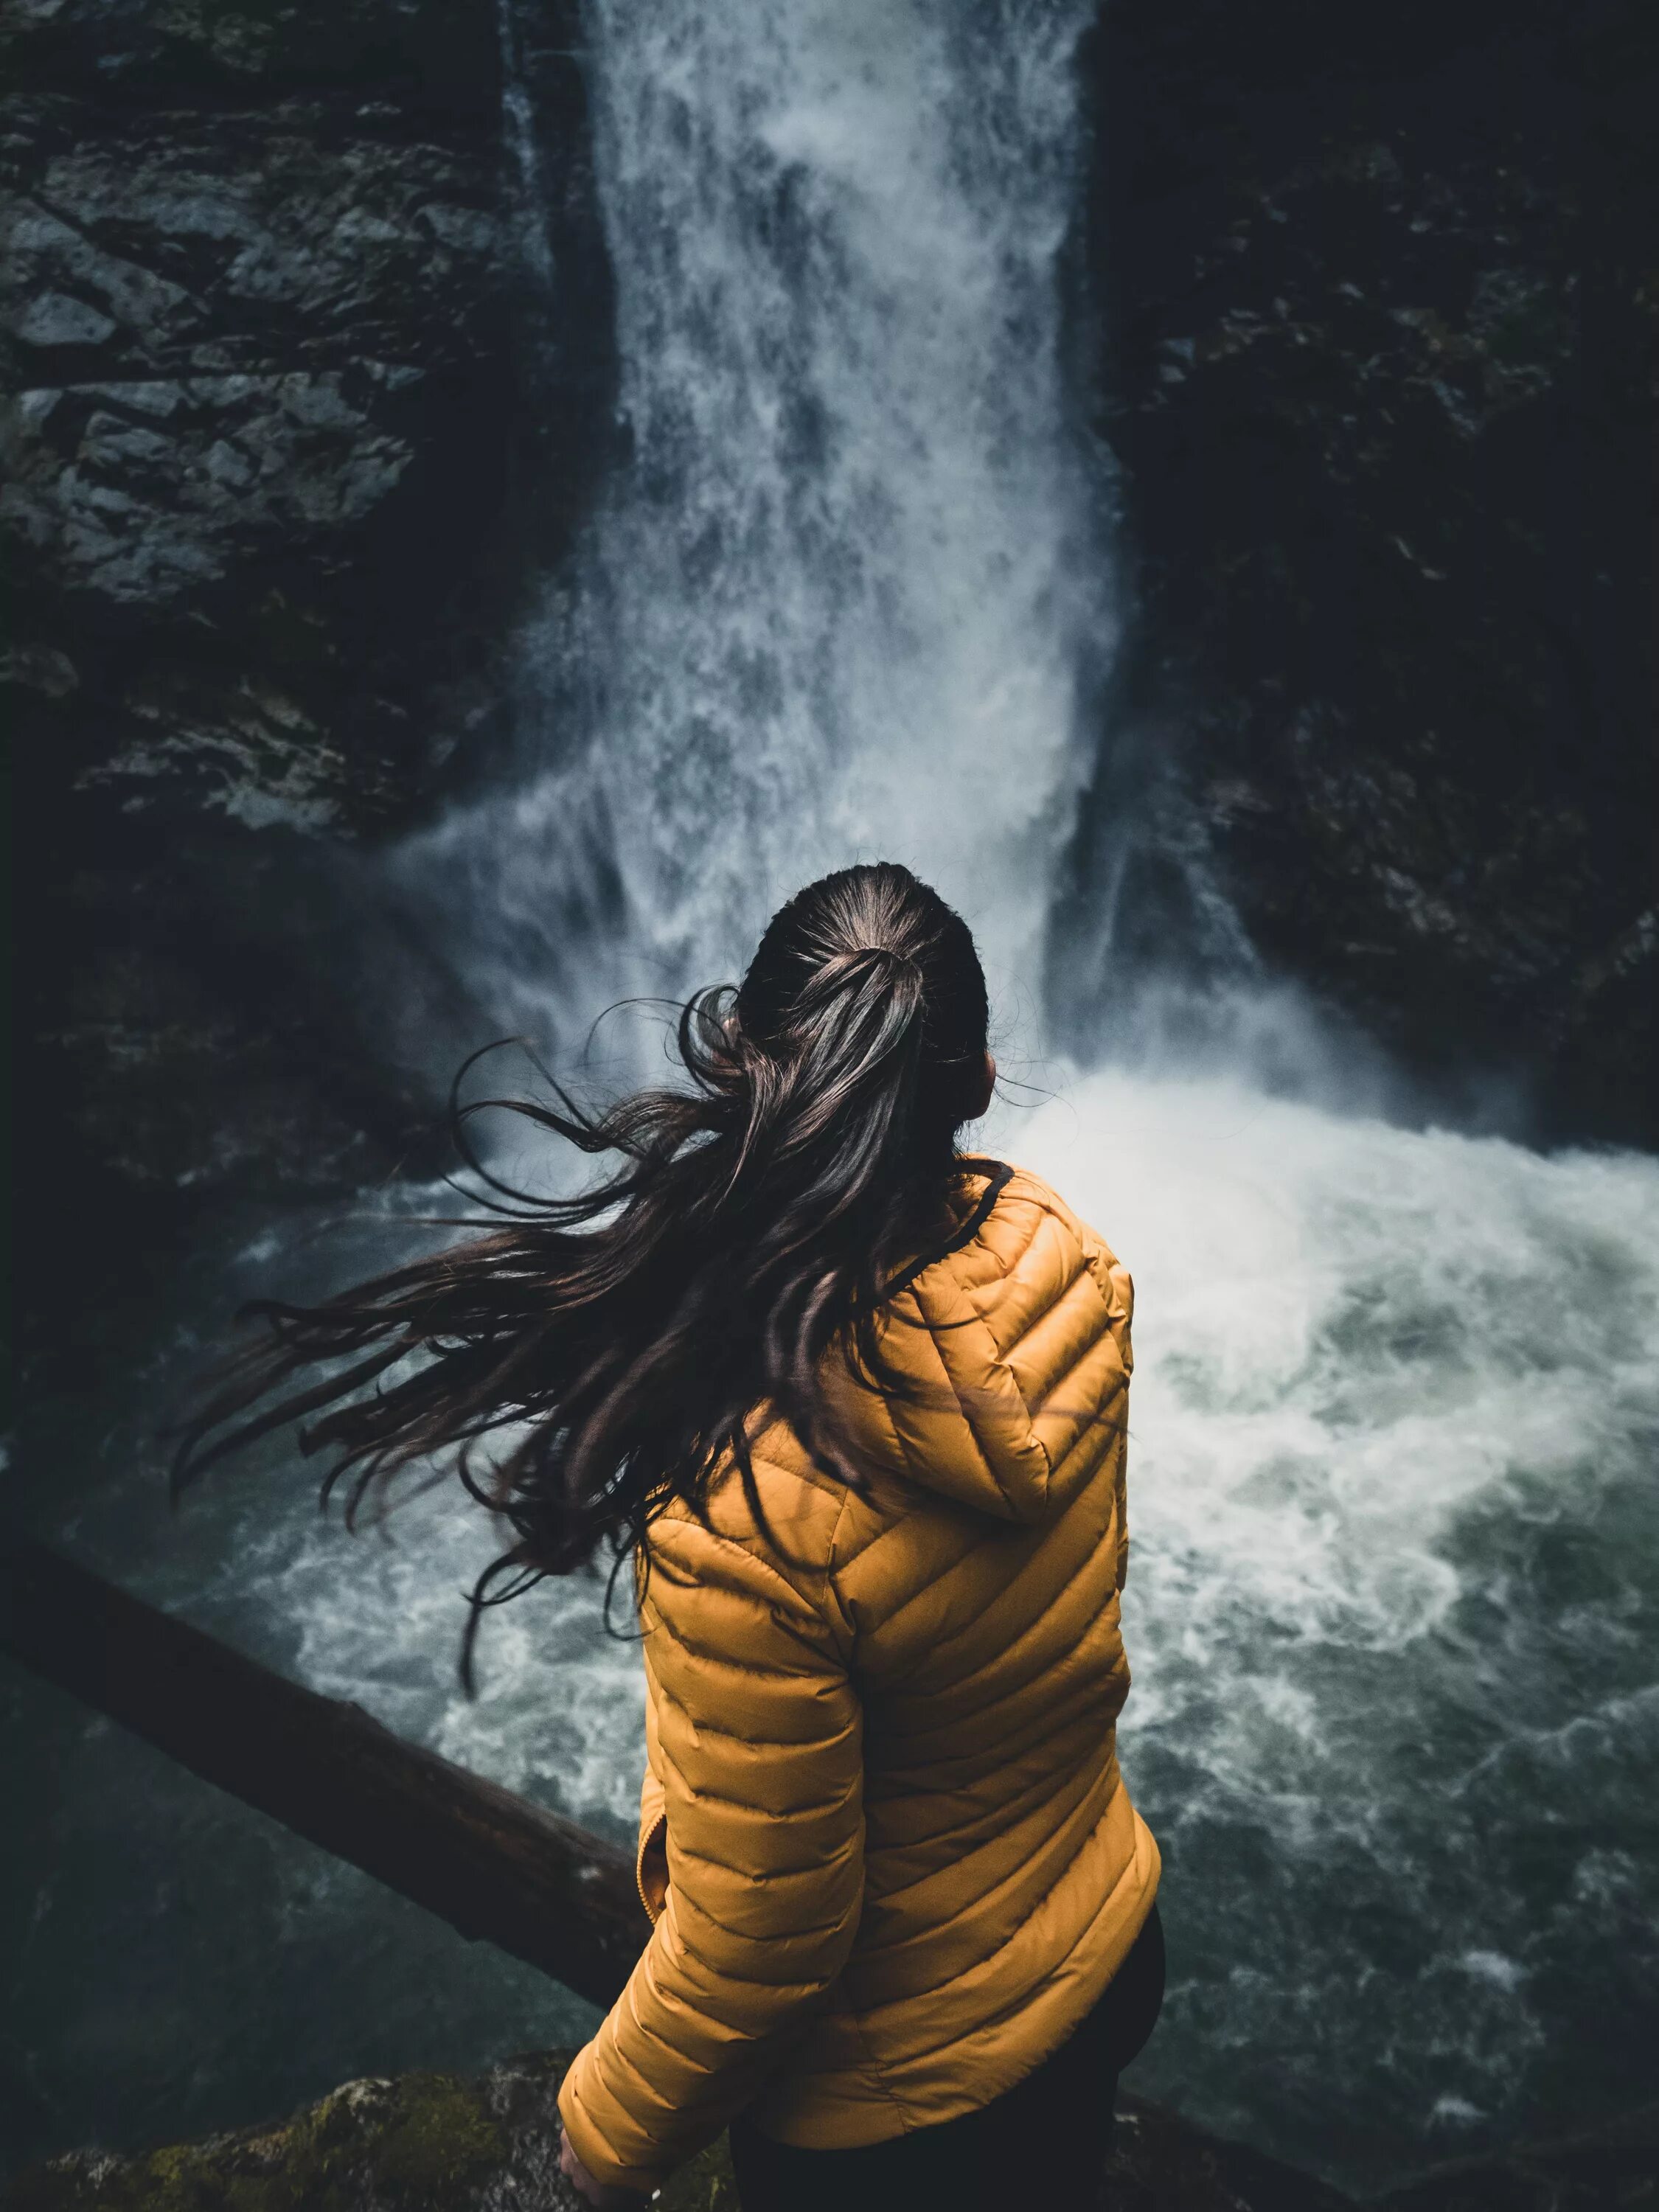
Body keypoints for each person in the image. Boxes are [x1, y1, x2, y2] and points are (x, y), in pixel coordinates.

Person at [175, 862, 1162, 2210]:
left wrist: (588, 2147)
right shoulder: (1067, 1273)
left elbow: (763, 1946)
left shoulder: (749, 1502)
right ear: (979, 1084)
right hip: (1100, 1951)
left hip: (904, 2111)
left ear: (743, 1068)